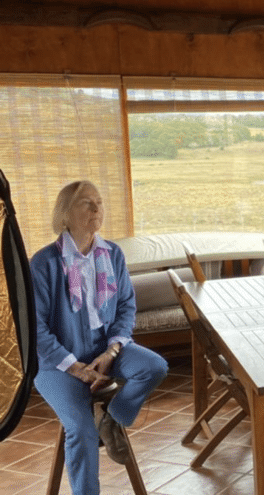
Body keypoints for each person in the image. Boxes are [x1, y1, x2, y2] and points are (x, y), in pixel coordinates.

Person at [31, 180, 168, 495]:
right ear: (65, 213)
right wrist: (75, 367)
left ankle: (113, 419)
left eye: (100, 202)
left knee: (154, 366)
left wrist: (113, 351)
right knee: (80, 430)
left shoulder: (112, 254)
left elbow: (125, 307)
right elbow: (34, 328)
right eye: (86, 203)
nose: (96, 209)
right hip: (56, 364)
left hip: (106, 350)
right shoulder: (44, 263)